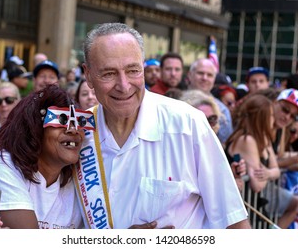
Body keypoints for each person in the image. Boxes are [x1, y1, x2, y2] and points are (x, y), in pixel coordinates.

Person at [78, 22, 250, 228]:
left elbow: (235, 223)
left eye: (133, 70)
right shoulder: (75, 133)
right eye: (108, 74)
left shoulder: (188, 125)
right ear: (88, 75)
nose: (123, 86)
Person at [0, 84, 95, 229]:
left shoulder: (83, 173)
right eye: (62, 120)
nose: (73, 130)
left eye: (80, 121)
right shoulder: (3, 163)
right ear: (34, 128)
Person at [226, 94, 298, 228]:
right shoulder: (247, 140)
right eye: (270, 115)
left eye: (293, 116)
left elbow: (275, 170)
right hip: (242, 205)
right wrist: (268, 173)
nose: (273, 119)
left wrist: (268, 173)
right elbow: (257, 185)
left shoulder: (263, 137)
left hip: (254, 202)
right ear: (261, 117)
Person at [180, 89, 246, 191]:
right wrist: (227, 185)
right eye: (201, 120)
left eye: (212, 119)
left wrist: (231, 176)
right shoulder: (180, 150)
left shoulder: (214, 146)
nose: (207, 125)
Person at [186, 58, 233, 145]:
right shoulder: (174, 101)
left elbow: (223, 145)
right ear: (190, 75)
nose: (204, 78)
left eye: (209, 75)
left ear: (214, 79)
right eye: (200, 73)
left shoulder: (223, 111)